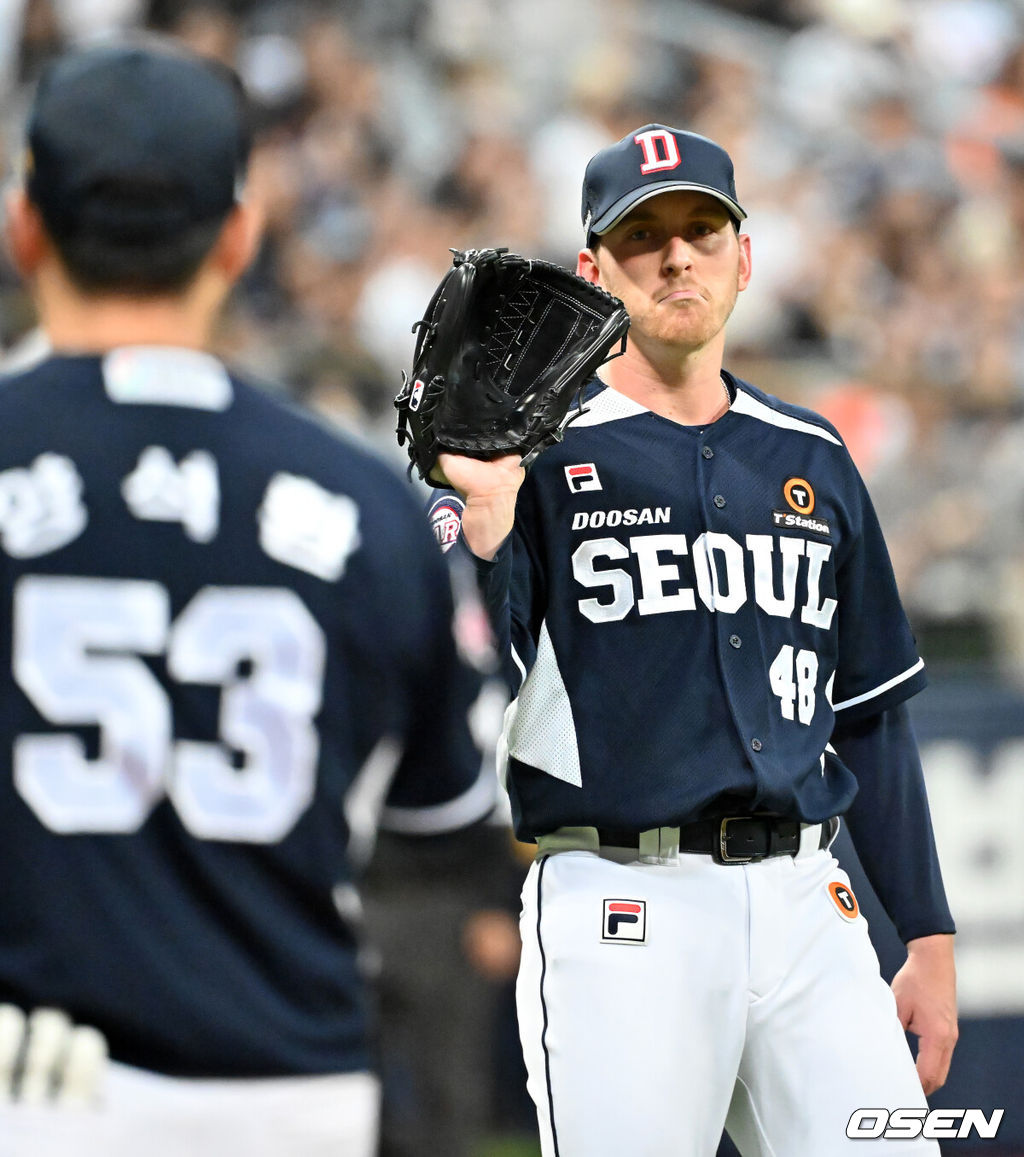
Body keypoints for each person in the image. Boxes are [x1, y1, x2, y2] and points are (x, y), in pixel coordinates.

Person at [0, 39, 497, 1157]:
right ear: (239, 232)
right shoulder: (367, 504)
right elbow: (442, 816)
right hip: (288, 1091)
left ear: (24, 222)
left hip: (27, 1081)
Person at [433, 124, 958, 1155]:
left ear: (744, 258)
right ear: (592, 272)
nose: (678, 256)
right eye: (644, 236)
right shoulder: (526, 458)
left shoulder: (811, 453)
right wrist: (483, 530)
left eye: (702, 230)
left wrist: (928, 936)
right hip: (623, 895)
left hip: (813, 901)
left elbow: (871, 715)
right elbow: (473, 672)